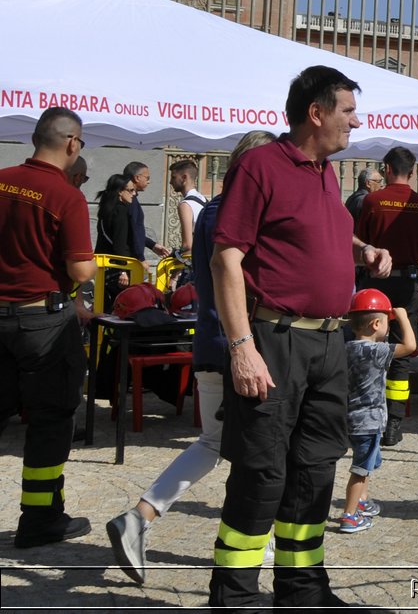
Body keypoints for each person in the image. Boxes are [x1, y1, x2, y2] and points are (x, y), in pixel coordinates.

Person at [208, 65, 394, 610]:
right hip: (274, 341)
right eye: (348, 111)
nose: (356, 122)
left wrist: (362, 250)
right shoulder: (262, 166)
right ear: (317, 113)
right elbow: (227, 256)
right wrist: (242, 348)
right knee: (263, 473)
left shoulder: (325, 172)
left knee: (314, 472)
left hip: (330, 345)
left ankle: (303, 591)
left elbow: (320, 227)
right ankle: (235, 597)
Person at [106, 131, 276, 585]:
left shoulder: (212, 210)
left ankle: (140, 516)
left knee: (217, 443)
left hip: (211, 341)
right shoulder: (244, 212)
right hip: (242, 344)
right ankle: (258, 547)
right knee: (262, 450)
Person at [0, 108, 96, 549]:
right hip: (42, 321)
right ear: (72, 143)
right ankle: (39, 521)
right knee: (50, 422)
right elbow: (80, 268)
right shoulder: (65, 195)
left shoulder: (1, 178)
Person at [353, 145, 418, 447]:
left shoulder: (372, 201)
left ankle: (364, 413)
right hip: (406, 284)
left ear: (386, 169)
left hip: (374, 285)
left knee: (366, 347)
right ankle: (394, 425)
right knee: (403, 352)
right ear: (413, 172)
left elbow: (360, 246)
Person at [338, 289, 415, 534]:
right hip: (368, 422)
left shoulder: (346, 348)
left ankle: (362, 501)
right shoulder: (377, 351)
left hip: (350, 419)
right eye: (387, 322)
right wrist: (403, 316)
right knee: (360, 470)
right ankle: (349, 515)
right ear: (376, 324)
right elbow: (410, 346)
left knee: (367, 463)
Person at [95, 173, 140, 308]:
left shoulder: (106, 208)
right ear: (120, 191)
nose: (134, 194)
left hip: (105, 267)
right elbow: (120, 242)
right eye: (131, 190)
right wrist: (123, 270)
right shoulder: (121, 210)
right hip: (119, 268)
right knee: (123, 309)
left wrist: (153, 245)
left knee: (106, 306)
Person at [122, 162, 171, 267]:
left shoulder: (131, 199)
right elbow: (132, 231)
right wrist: (140, 258)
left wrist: (152, 245)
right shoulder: (128, 201)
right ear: (137, 178)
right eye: (147, 178)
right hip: (128, 262)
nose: (149, 182)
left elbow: (136, 231)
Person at [169, 159, 208, 262]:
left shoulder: (185, 205)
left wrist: (175, 275)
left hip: (197, 262)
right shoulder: (203, 199)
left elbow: (187, 245)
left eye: (173, 177)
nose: (170, 182)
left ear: (184, 177)